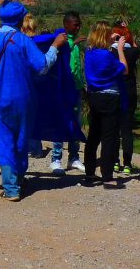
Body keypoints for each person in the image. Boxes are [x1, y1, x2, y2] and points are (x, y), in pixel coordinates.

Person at [0, 0, 67, 201]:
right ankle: (19, 178)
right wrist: (55, 48)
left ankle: (11, 187)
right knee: (22, 138)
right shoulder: (25, 41)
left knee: (5, 139)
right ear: (20, 18)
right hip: (25, 99)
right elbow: (42, 66)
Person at [84, 21, 128, 189]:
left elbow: (99, 44)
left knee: (93, 135)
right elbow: (124, 69)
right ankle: (107, 176)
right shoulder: (107, 56)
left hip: (94, 97)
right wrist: (120, 49)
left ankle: (89, 173)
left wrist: (110, 38)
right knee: (109, 137)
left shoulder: (89, 53)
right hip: (110, 97)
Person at [50, 11, 86, 175]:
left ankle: (73, 157)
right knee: (60, 123)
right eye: (75, 24)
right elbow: (60, 56)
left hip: (76, 89)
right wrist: (73, 43)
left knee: (75, 124)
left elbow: (77, 66)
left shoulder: (75, 42)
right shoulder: (61, 38)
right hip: (63, 89)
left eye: (79, 24)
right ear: (66, 24)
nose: (78, 27)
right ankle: (56, 159)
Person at [111, 22, 140, 174]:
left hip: (114, 93)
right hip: (129, 94)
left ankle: (115, 162)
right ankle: (127, 164)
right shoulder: (133, 53)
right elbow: (136, 47)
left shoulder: (110, 52)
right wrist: (129, 33)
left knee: (114, 129)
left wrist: (112, 40)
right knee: (127, 131)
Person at [21, 13, 43, 159]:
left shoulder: (19, 42)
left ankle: (28, 147)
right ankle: (36, 148)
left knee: (24, 118)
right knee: (34, 117)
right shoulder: (39, 43)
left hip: (23, 85)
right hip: (37, 85)